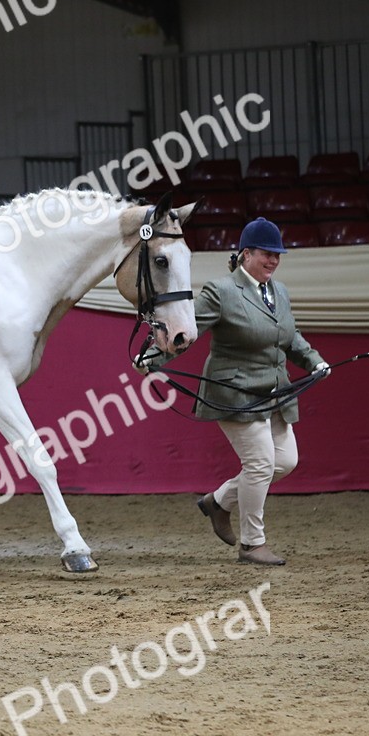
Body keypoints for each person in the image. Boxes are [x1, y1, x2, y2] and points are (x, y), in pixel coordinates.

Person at [142, 217, 329, 565]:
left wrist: (315, 361)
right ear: (245, 254)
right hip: (235, 393)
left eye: (277, 255)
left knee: (286, 461)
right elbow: (187, 329)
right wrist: (152, 357)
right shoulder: (221, 291)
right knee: (260, 464)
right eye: (266, 254)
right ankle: (252, 544)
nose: (273, 261)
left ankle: (218, 501)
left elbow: (291, 337)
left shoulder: (280, 292)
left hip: (274, 393)